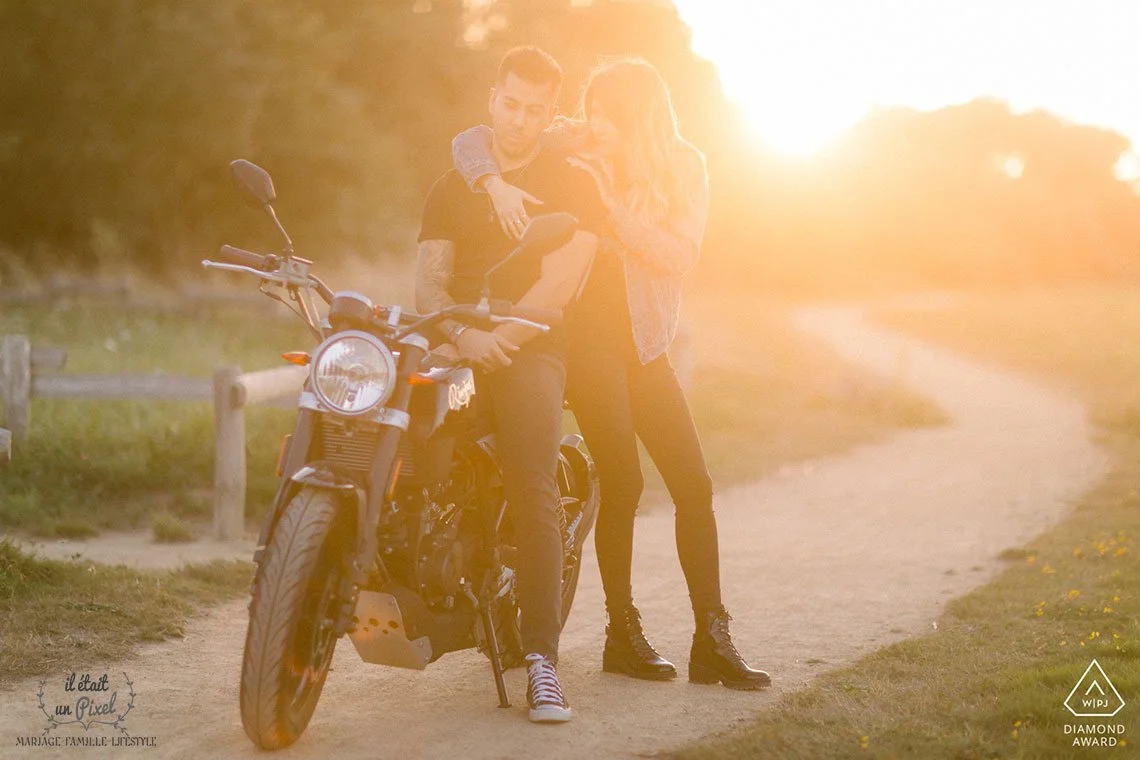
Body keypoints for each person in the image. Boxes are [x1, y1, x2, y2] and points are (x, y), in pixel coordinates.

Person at [451, 57, 770, 690]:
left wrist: (609, 209)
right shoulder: (577, 140)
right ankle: (621, 634)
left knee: (694, 486)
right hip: (587, 345)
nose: (592, 124)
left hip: (646, 347)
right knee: (621, 483)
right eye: (589, 110)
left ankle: (712, 638)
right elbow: (469, 140)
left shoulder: (685, 165)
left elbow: (680, 253)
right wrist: (492, 182)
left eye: (606, 114)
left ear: (638, 117)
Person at [415, 46, 605, 722]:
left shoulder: (573, 184)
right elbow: (430, 281)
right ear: (492, 99)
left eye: (535, 110)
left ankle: (543, 664)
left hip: (531, 346)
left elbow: (560, 288)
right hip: (456, 335)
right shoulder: (454, 183)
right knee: (394, 422)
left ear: (551, 114)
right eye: (511, 104)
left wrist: (505, 338)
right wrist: (464, 339)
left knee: (533, 481)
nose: (520, 120)